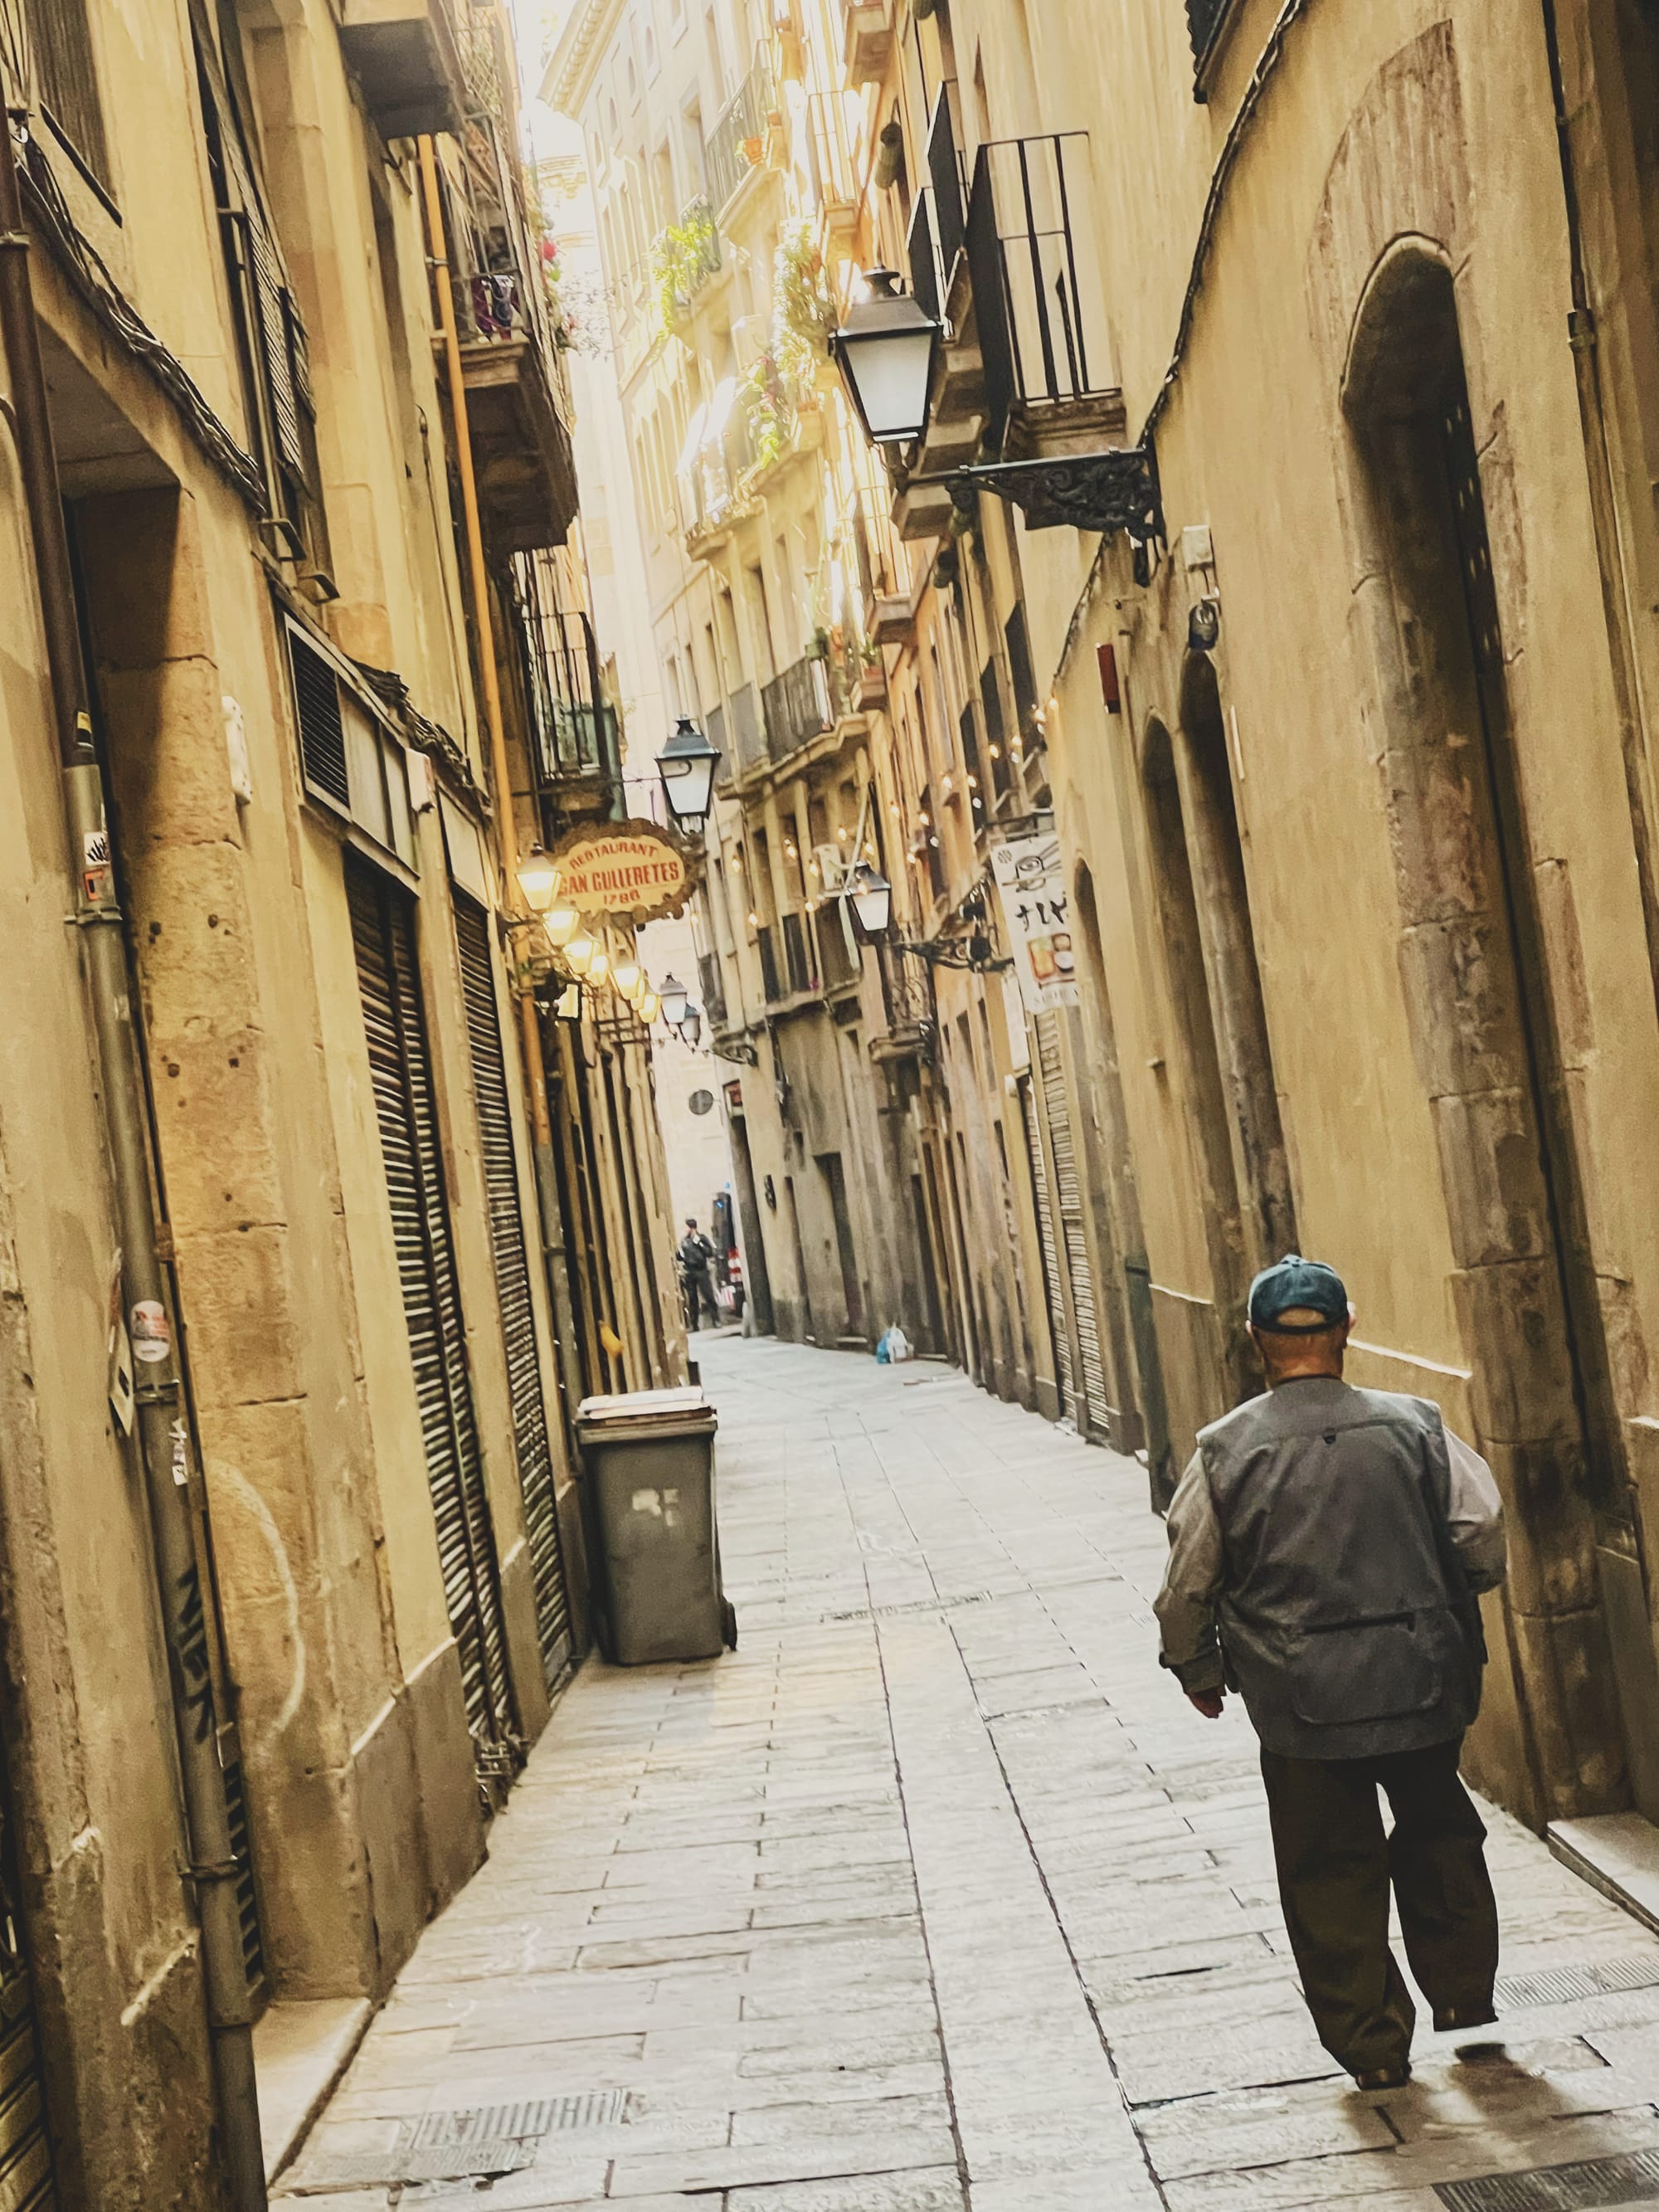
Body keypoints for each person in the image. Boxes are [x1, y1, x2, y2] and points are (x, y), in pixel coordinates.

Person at [1154, 1254, 1507, 2091]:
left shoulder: (1223, 1453)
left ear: (1254, 1341)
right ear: (1346, 1329)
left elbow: (1185, 1581)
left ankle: (1373, 2045)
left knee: (1325, 1865)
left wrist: (1197, 1665)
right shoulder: (1416, 1426)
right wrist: (1449, 1597)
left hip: (1297, 1700)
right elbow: (1479, 1529)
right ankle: (1463, 2000)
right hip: (1420, 1679)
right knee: (1439, 1835)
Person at [677, 1217, 719, 1331]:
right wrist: (679, 1254)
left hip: (701, 1270)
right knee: (692, 1299)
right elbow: (680, 1257)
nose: (684, 1230)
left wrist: (699, 1243)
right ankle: (694, 1324)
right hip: (690, 1271)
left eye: (686, 1227)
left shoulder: (701, 1238)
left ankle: (716, 1319)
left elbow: (709, 1252)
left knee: (708, 1295)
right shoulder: (684, 1241)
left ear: (692, 1228)